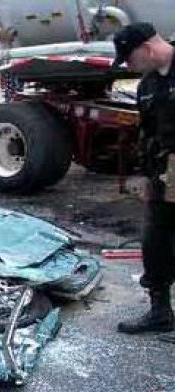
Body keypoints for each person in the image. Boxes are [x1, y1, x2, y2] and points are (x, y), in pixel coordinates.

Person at [112, 23, 175, 341]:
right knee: (155, 239)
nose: (127, 65)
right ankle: (160, 312)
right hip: (166, 170)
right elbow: (147, 134)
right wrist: (146, 175)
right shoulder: (147, 86)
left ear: (147, 48)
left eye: (129, 57)